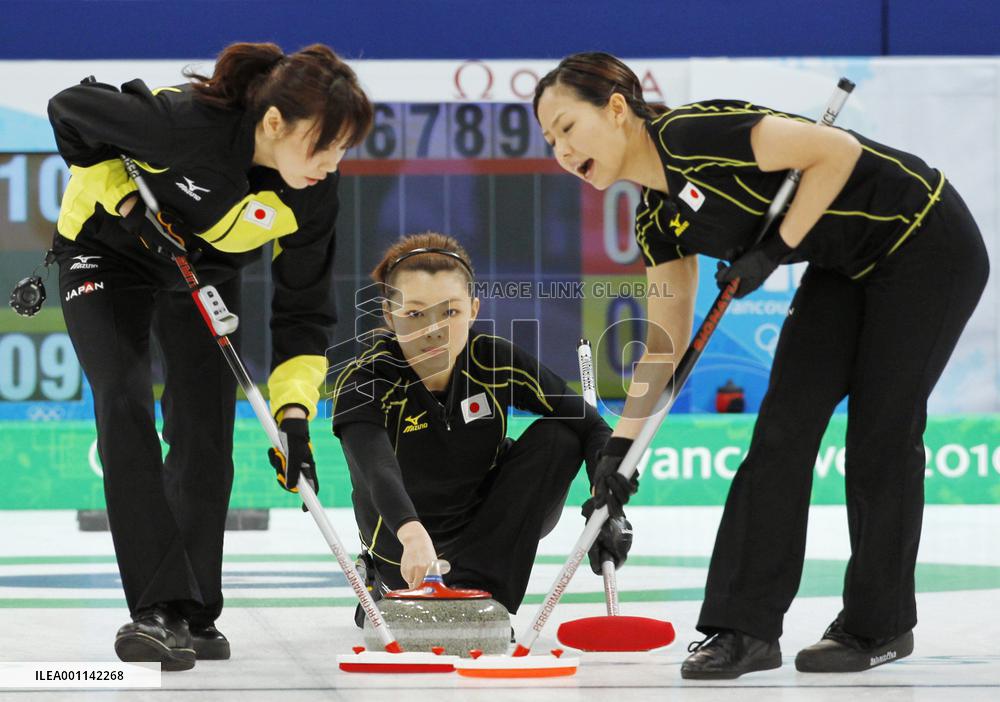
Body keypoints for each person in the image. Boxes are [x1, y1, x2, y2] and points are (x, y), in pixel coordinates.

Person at [533, 53, 988, 678]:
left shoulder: (695, 136)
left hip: (924, 238)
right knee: (780, 432)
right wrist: (617, 455)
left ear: (615, 108)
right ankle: (745, 631)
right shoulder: (656, 219)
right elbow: (665, 345)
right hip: (844, 264)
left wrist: (775, 248)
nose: (559, 148)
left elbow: (835, 153)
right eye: (549, 139)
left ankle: (879, 626)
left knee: (881, 435)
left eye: (565, 126)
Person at [47, 42, 372, 670]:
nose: (332, 165)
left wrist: (295, 419)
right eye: (323, 146)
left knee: (204, 426)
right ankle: (155, 609)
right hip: (105, 250)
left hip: (201, 272)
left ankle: (194, 610)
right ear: (274, 123)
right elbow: (69, 110)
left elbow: (302, 316)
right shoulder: (183, 124)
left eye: (343, 151)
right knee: (123, 398)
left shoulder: (312, 198)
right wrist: (125, 205)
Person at [331, 232, 619, 622]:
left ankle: (483, 597)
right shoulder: (365, 380)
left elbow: (592, 427)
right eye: (415, 313)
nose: (433, 330)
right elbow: (376, 468)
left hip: (484, 534)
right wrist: (413, 535)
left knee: (561, 435)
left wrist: (606, 499)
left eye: (450, 312)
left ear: (473, 309)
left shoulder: (494, 360)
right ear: (388, 314)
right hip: (403, 543)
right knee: (395, 508)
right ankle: (387, 584)